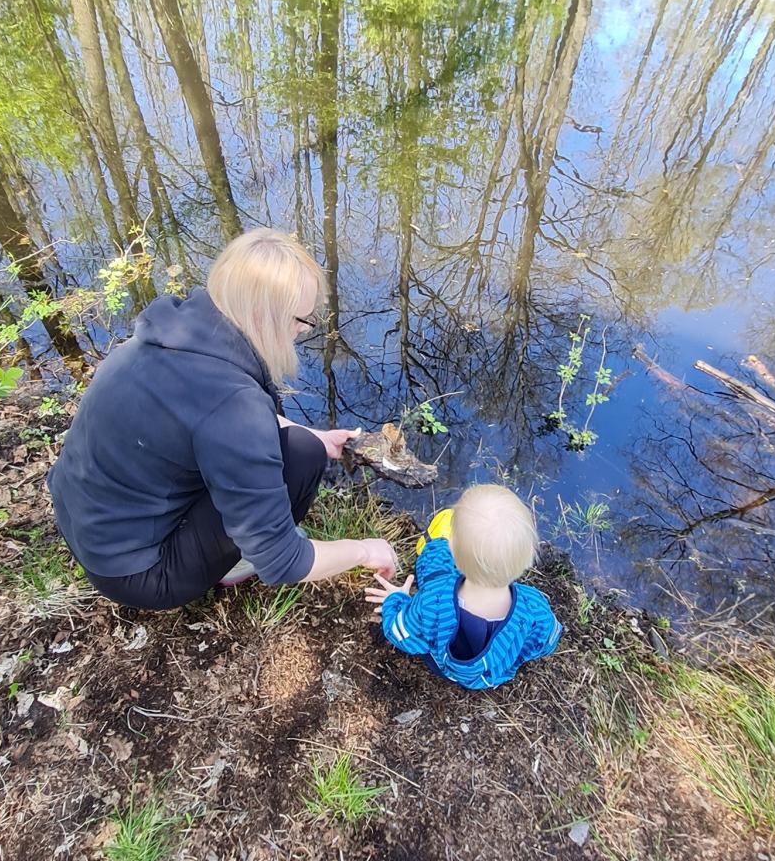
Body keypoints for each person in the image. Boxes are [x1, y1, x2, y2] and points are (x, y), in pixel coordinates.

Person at [47, 229, 397, 610]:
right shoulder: (233, 405)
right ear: (265, 318)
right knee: (301, 460)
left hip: (86, 527)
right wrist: (367, 549)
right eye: (302, 319)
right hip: (138, 574)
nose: (303, 328)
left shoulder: (169, 337)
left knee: (306, 445)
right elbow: (283, 561)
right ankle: (234, 563)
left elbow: (206, 420)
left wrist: (316, 434)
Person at [365, 485, 561, 690]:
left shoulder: (433, 599)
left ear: (454, 552)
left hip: (441, 665)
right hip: (491, 675)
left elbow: (402, 632)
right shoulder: (534, 609)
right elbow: (547, 641)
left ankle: (435, 545)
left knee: (435, 566)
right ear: (527, 559)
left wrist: (395, 600)